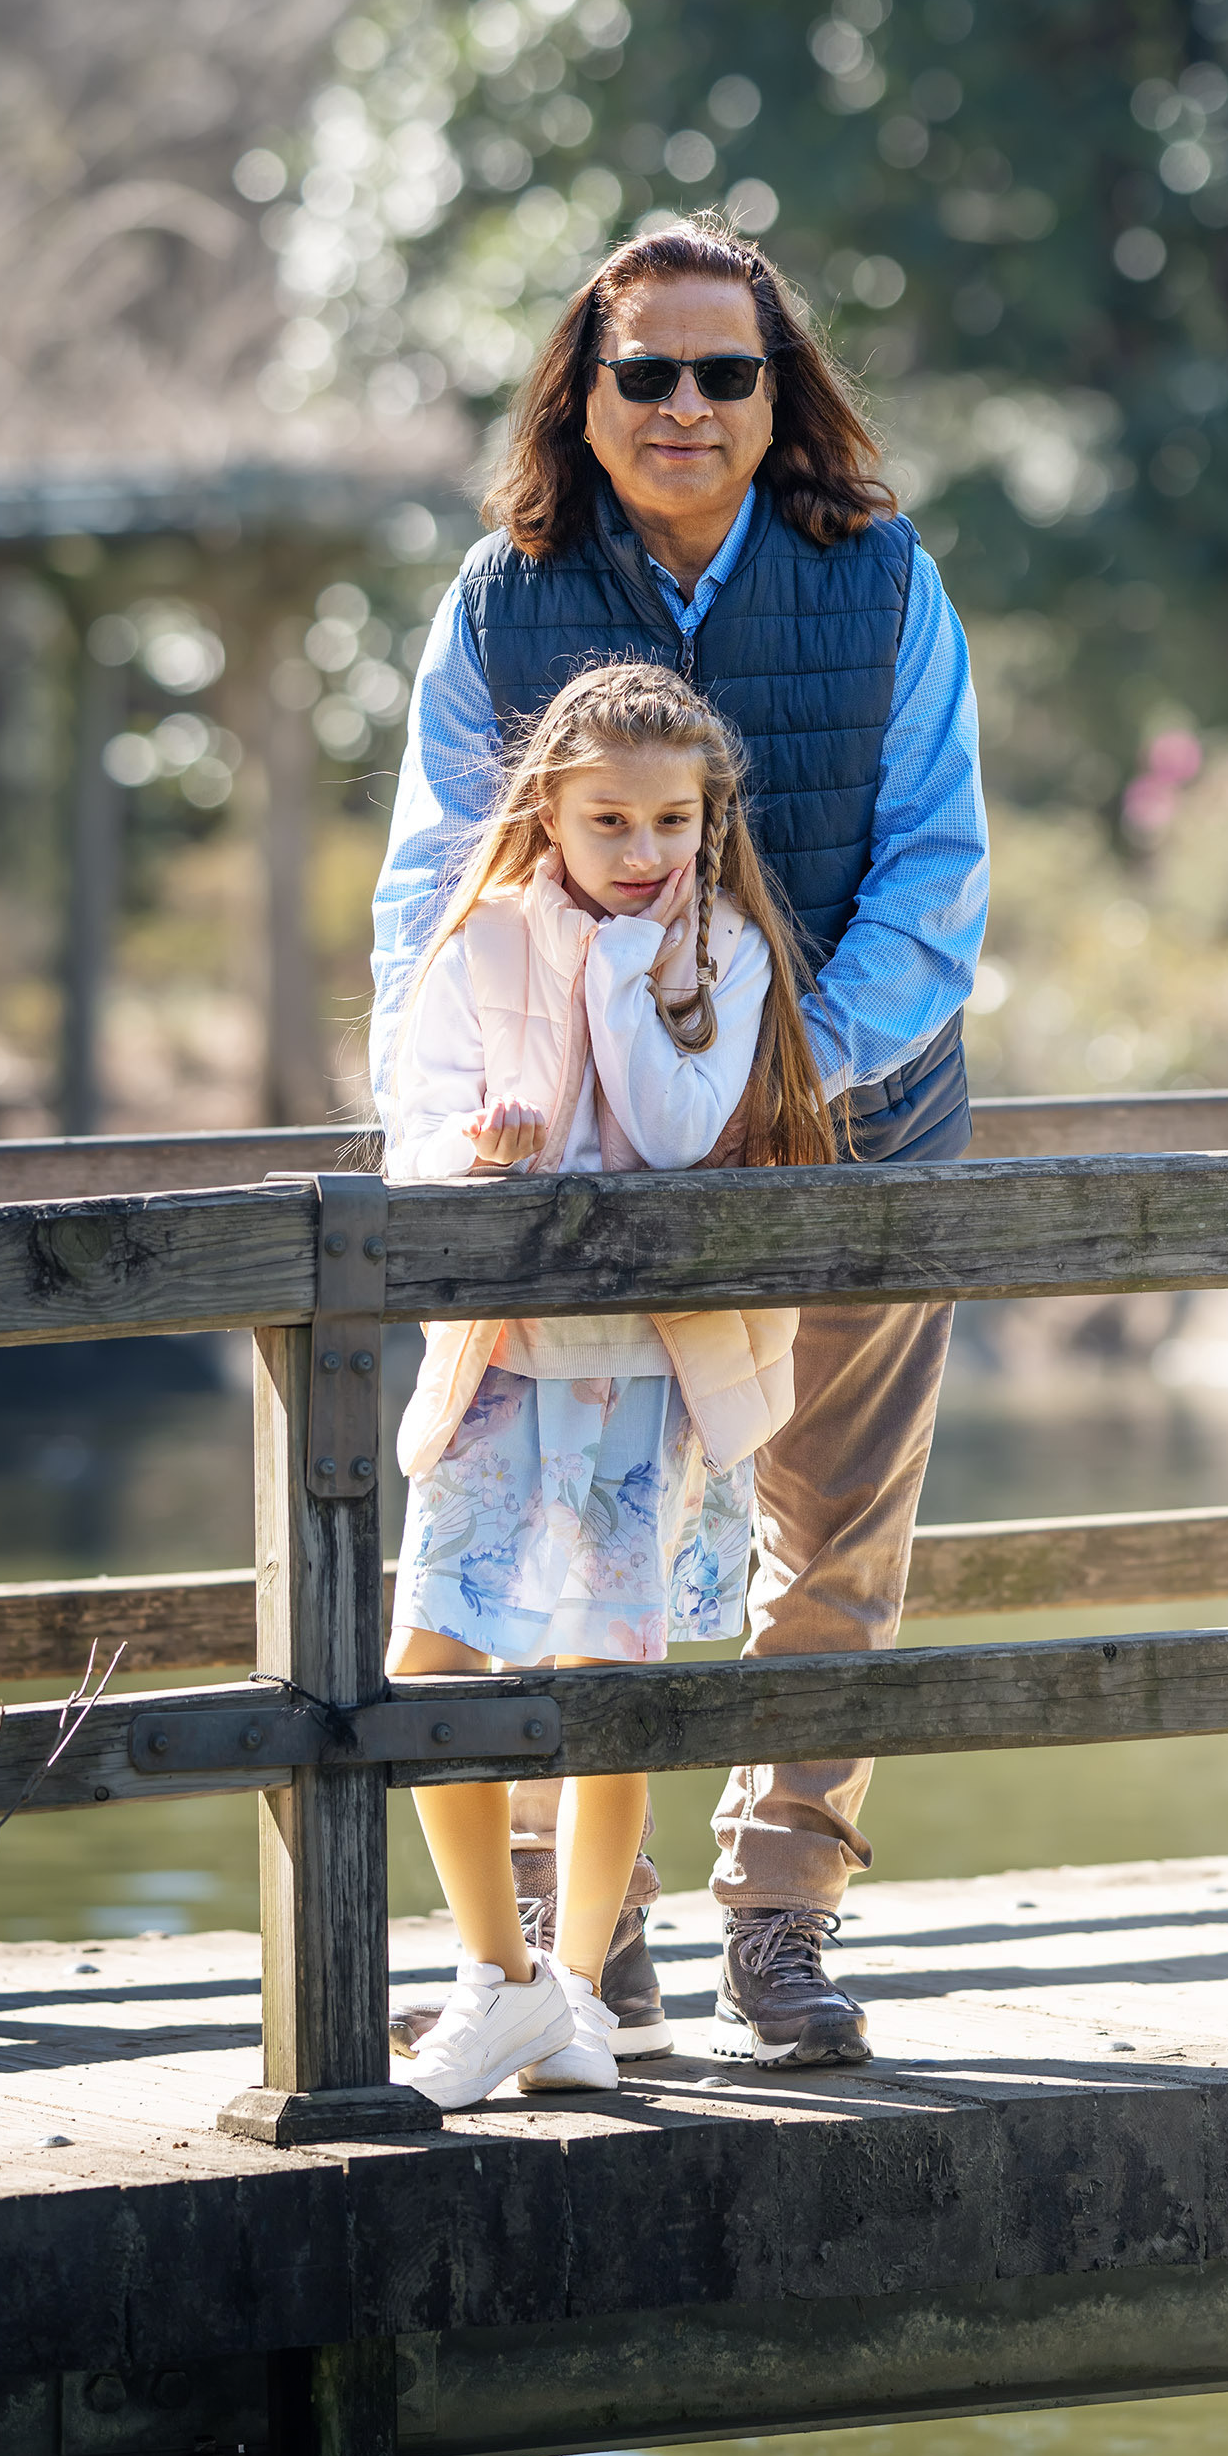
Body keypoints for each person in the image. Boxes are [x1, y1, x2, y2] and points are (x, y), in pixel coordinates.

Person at [372, 212, 986, 2068]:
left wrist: (774, 1079)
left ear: (780, 393)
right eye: (648, 370)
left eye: (732, 369)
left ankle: (781, 1917)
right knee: (575, 1540)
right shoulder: (502, 594)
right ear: (587, 391)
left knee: (830, 1537)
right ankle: (582, 1946)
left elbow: (935, 879)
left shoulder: (885, 580)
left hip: (858, 1134)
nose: (690, 404)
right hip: (576, 1192)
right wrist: (453, 1137)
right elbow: (429, 890)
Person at [383, 661, 840, 2111]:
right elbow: (417, 1135)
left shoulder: (730, 956)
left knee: (611, 1686)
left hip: (647, 1370)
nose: (644, 855)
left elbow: (670, 1121)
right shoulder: (481, 941)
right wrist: (483, 1147)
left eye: (672, 824)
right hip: (510, 1362)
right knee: (431, 1662)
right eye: (610, 824)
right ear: (549, 811)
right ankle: (495, 1978)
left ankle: (577, 1989)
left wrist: (628, 977)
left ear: (710, 821)